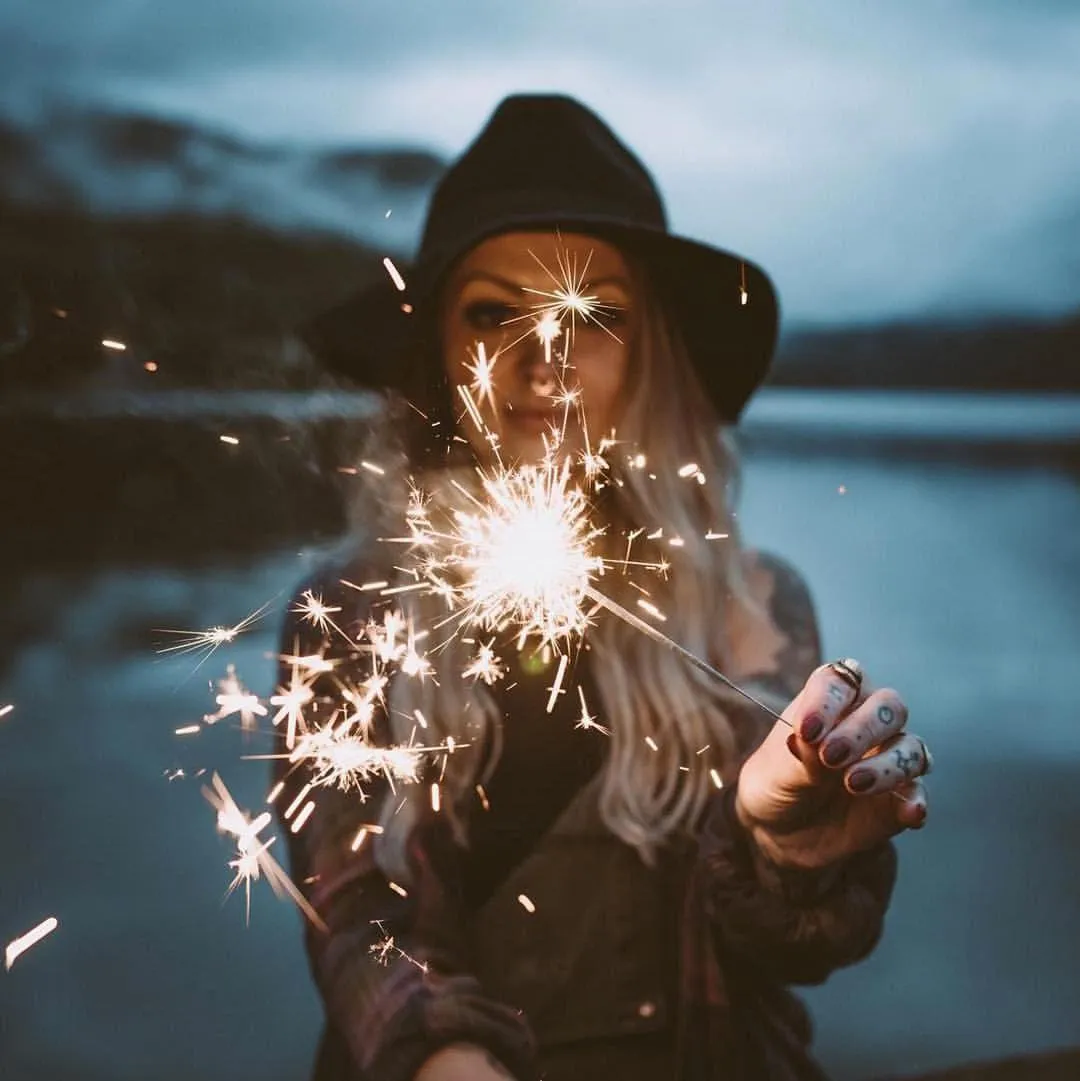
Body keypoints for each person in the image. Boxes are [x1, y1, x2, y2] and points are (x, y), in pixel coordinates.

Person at [273, 94, 933, 1081]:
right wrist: (442, 1054)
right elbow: (357, 910)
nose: (543, 361)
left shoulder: (748, 603)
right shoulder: (352, 615)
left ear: (649, 349)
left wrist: (788, 848)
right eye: (494, 312)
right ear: (440, 355)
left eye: (594, 315)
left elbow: (803, 948)